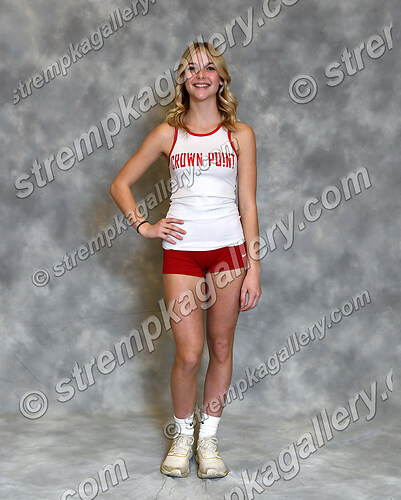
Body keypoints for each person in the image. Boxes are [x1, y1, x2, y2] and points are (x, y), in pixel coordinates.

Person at [110, 41, 261, 479]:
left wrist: (255, 266)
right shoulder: (167, 133)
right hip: (182, 253)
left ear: (221, 79)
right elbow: (120, 184)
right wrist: (145, 226)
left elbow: (248, 203)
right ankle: (182, 436)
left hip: (230, 253)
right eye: (191, 68)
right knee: (190, 353)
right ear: (182, 79)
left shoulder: (240, 134)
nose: (200, 75)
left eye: (209, 68)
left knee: (220, 346)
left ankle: (208, 439)